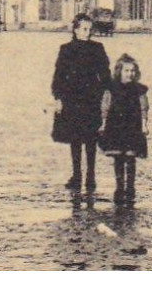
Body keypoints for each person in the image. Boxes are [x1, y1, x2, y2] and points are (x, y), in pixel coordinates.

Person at [51, 12, 111, 195]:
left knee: (91, 139)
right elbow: (59, 76)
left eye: (89, 29)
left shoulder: (98, 48)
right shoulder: (66, 50)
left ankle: (91, 176)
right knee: (75, 139)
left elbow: (105, 74)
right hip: (72, 99)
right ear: (75, 30)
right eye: (84, 29)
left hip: (92, 98)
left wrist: (107, 94)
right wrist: (58, 97)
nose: (87, 32)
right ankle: (77, 175)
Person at [99, 54, 149, 208]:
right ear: (119, 71)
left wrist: (144, 125)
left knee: (130, 157)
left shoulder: (139, 90)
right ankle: (119, 187)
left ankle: (131, 187)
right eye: (127, 71)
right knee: (118, 158)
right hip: (116, 126)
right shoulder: (111, 88)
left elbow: (143, 108)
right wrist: (103, 124)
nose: (130, 74)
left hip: (132, 126)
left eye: (133, 71)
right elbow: (105, 107)